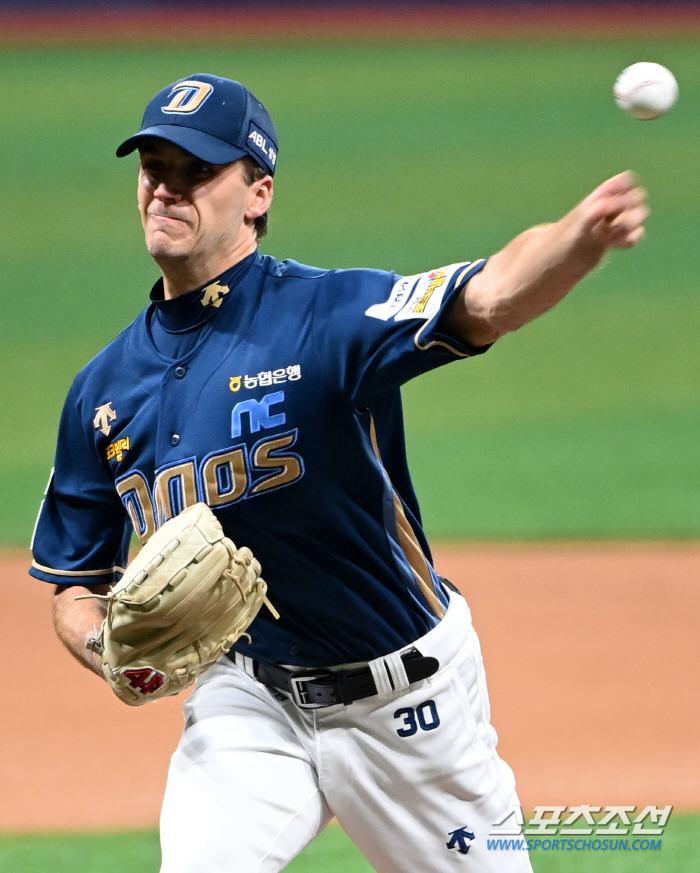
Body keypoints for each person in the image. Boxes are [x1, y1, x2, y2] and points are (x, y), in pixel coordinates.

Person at [30, 74, 648, 873]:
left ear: (258, 193)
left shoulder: (325, 315)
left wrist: (578, 239)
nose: (166, 187)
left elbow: (486, 298)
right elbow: (74, 582)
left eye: (196, 170)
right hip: (248, 702)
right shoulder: (103, 389)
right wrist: (111, 647)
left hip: (407, 706)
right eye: (154, 165)